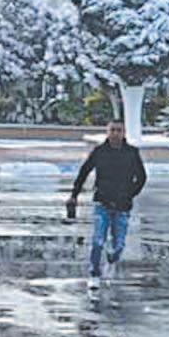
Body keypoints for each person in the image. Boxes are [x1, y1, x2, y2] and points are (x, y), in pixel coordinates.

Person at [65, 120, 147, 281]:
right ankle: (94, 271)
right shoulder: (99, 152)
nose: (115, 133)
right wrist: (74, 195)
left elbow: (142, 177)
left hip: (123, 205)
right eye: (112, 130)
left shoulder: (131, 153)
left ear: (124, 133)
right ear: (107, 132)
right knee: (98, 241)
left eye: (119, 130)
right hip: (102, 202)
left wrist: (129, 194)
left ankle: (112, 257)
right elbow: (84, 172)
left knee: (119, 245)